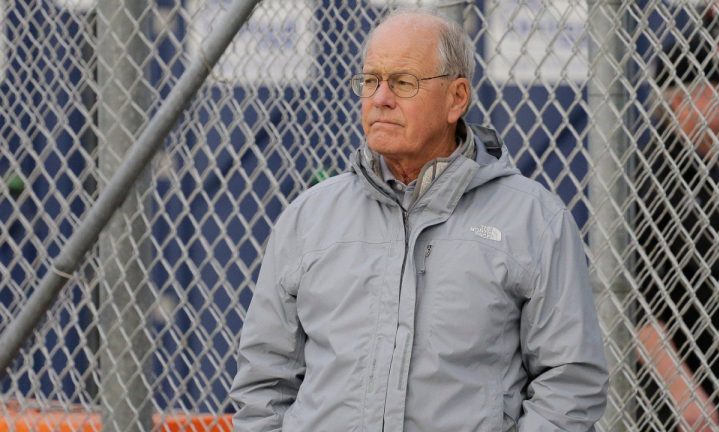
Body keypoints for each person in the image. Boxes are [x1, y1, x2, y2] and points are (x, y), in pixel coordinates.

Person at [230, 8, 608, 431]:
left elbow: (571, 383)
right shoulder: (308, 218)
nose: (380, 99)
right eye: (370, 80)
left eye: (402, 82)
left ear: (456, 98)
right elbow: (263, 381)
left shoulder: (533, 220)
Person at [634, 6, 719, 431]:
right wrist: (683, 392)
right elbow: (637, 301)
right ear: (678, 94)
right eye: (718, 84)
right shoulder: (655, 172)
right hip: (695, 396)